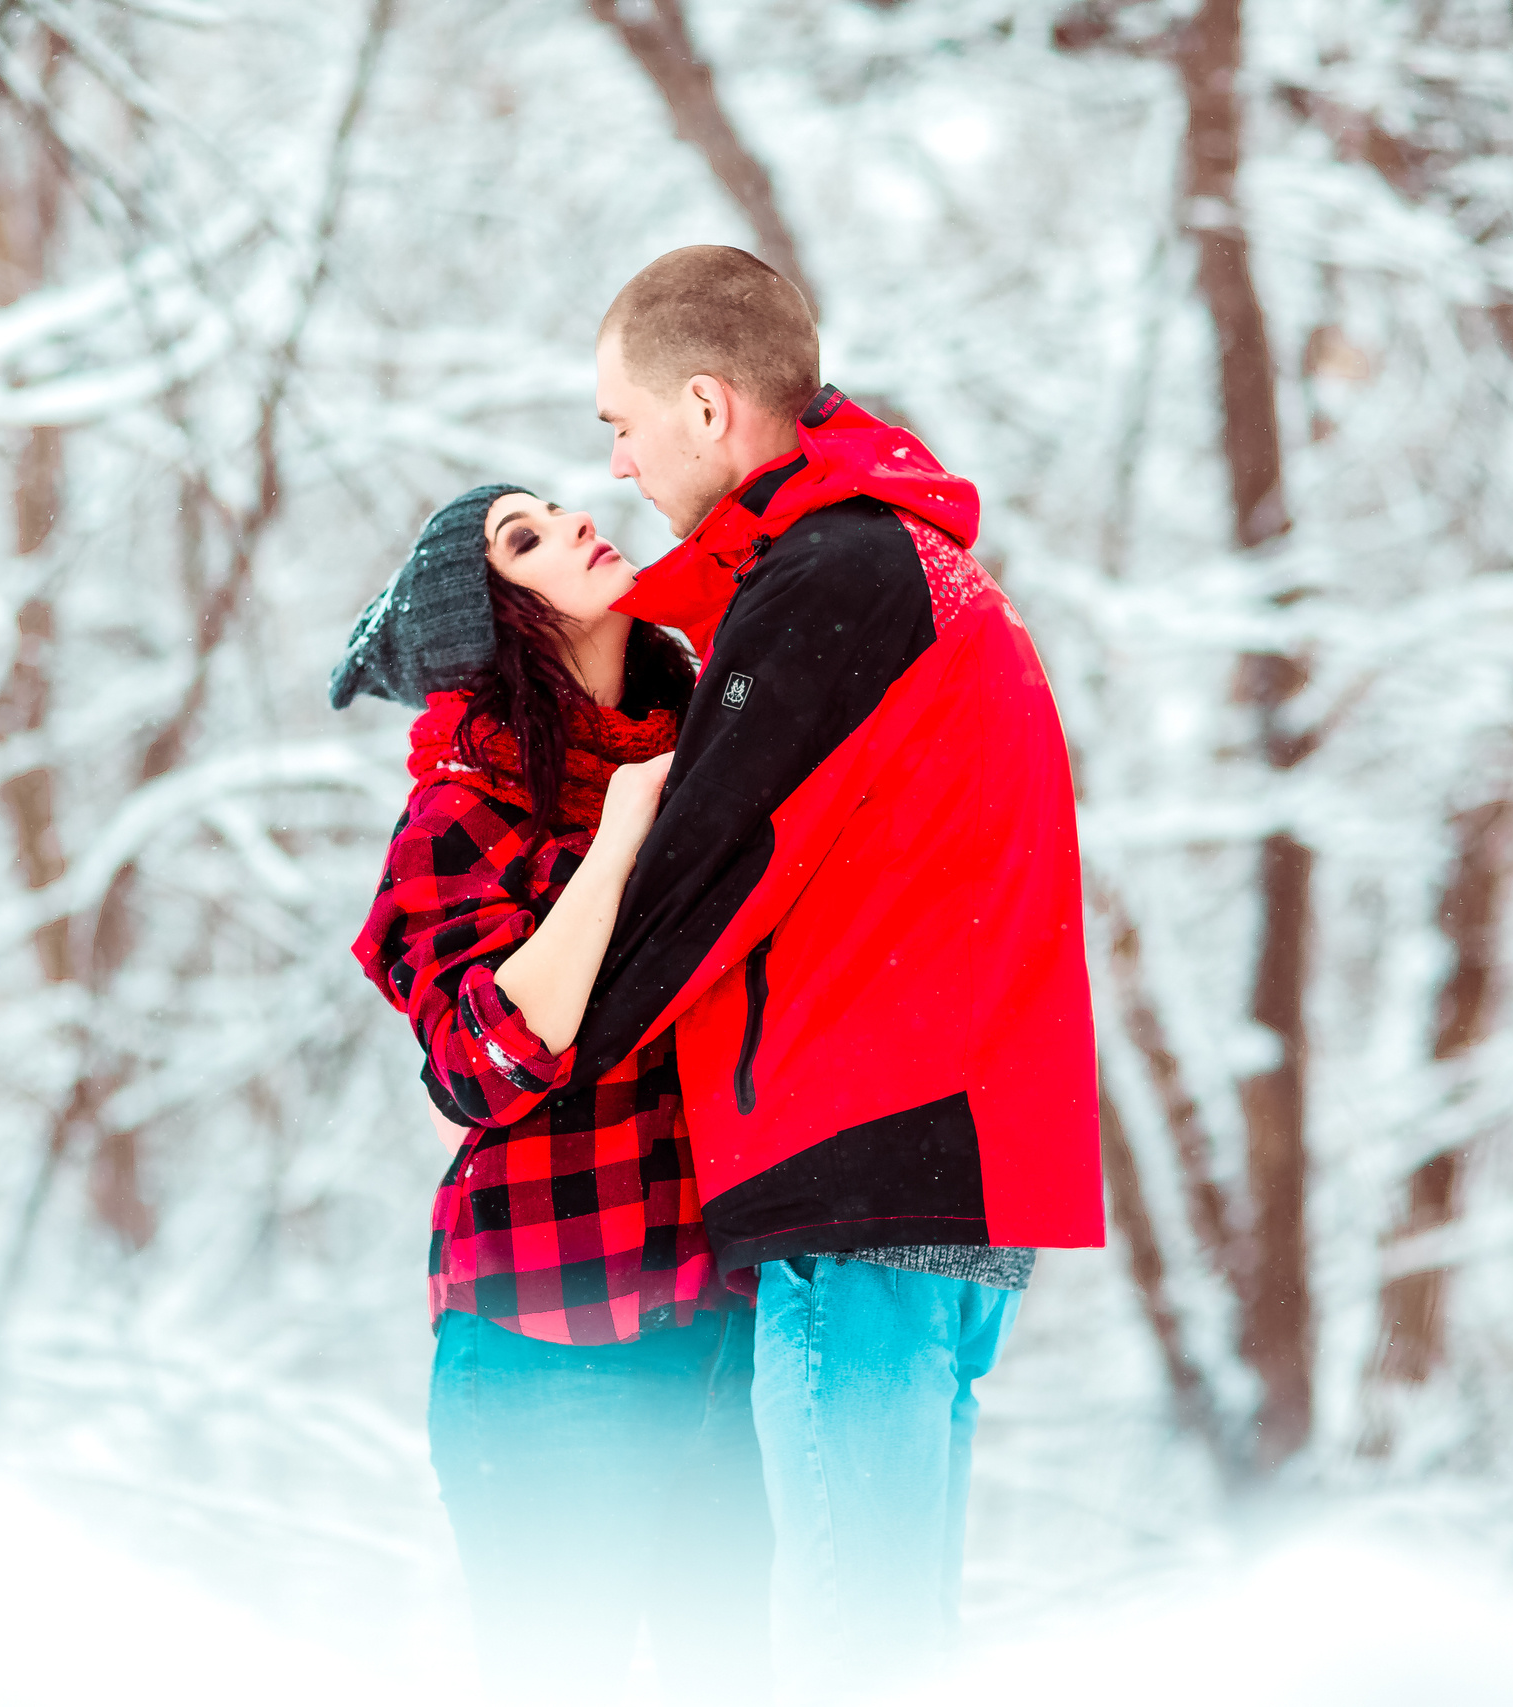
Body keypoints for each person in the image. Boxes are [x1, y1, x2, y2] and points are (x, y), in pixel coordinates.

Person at [569, 246, 1107, 1698]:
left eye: (619, 421)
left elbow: (705, 863)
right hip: (937, 1161)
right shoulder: (886, 564)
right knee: (889, 1628)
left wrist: (512, 1058)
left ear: (702, 403)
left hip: (864, 1169)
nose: (611, 461)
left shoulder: (837, 574)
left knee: (845, 1642)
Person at [332, 484, 770, 1706]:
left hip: (729, 1323)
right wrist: (626, 830)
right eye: (521, 539)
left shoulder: (715, 755)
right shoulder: (456, 816)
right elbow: (481, 1066)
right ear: (495, 618)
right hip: (547, 1346)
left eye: (555, 507)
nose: (573, 522)